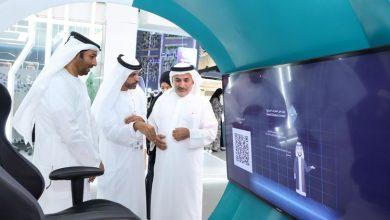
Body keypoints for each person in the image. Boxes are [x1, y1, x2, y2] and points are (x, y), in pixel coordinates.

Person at [13, 31, 102, 213]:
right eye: (91, 57)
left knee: (77, 211)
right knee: (60, 211)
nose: (95, 63)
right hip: (59, 164)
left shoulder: (77, 84)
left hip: (77, 163)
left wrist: (92, 159)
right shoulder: (56, 83)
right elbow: (69, 130)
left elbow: (88, 125)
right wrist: (93, 160)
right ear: (77, 54)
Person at [148, 63, 218, 220]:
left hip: (188, 169)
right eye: (177, 80)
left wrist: (190, 133)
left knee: (186, 205)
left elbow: (211, 132)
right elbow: (151, 125)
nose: (182, 85)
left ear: (193, 80)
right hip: (164, 167)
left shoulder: (201, 103)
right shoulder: (163, 100)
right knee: (162, 203)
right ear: (172, 80)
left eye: (186, 80)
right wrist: (154, 138)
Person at [92, 54, 156, 218]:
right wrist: (134, 126)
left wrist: (140, 120)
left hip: (135, 161)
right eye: (132, 75)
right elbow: (109, 130)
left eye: (138, 74)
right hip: (115, 160)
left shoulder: (139, 94)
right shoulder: (108, 97)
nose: (137, 78)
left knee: (134, 201)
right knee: (114, 201)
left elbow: (144, 120)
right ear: (121, 75)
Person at [145, 70, 172, 219]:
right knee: (153, 182)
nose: (165, 91)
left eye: (168, 87)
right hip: (157, 151)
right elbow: (149, 124)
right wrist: (153, 139)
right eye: (163, 88)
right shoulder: (158, 100)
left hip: (173, 155)